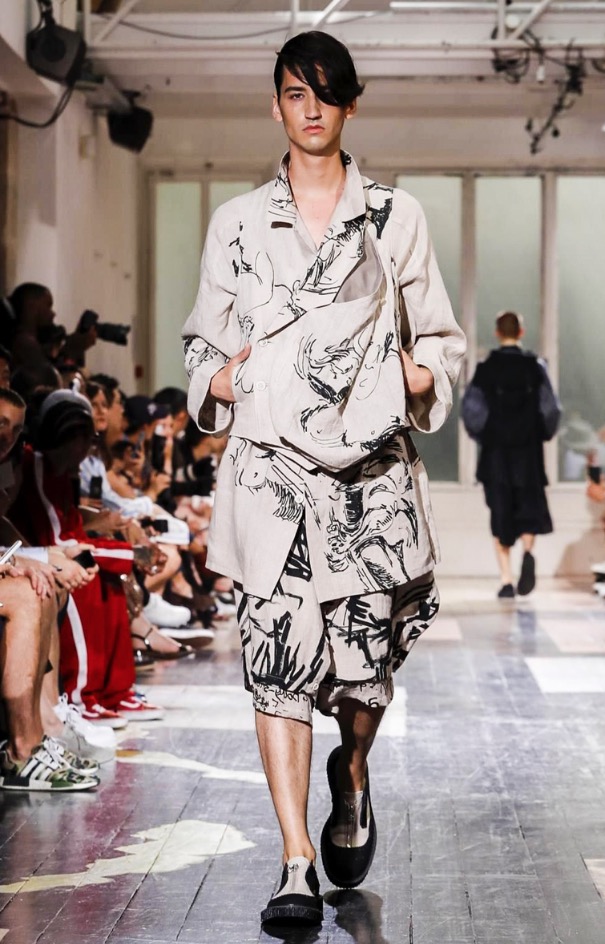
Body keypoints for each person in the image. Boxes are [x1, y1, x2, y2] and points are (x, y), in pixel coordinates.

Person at [182, 31, 465, 927]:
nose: (310, 109)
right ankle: (295, 862)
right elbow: (200, 344)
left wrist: (410, 376)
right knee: (276, 667)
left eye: (326, 93)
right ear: (275, 104)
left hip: (368, 485)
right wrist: (229, 382)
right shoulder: (237, 223)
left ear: (349, 104)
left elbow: (442, 338)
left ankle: (352, 769)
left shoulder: (393, 216)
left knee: (362, 676)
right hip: (270, 480)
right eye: (295, 93)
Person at [462, 310, 561, 599]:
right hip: (528, 453)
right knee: (529, 508)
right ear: (521, 332)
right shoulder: (535, 367)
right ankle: (527, 553)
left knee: (500, 512)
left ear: (497, 332)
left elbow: (472, 411)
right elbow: (551, 409)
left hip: (496, 454)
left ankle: (506, 579)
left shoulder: (486, 369)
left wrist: (485, 435)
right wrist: (541, 433)